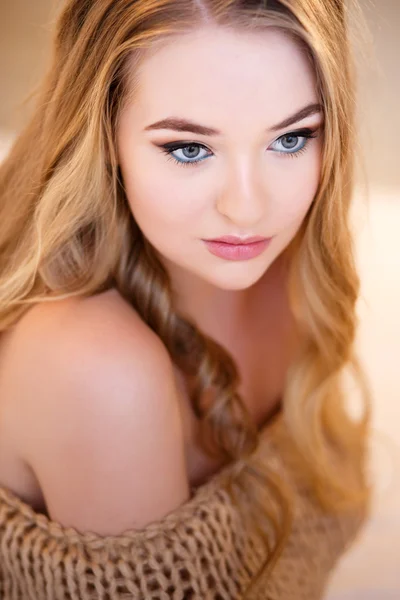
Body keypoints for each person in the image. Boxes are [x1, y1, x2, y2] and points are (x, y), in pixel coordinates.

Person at [0, 0, 372, 598]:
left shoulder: (287, 264)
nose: (248, 208)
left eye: (291, 138)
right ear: (103, 134)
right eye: (189, 149)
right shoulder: (96, 369)